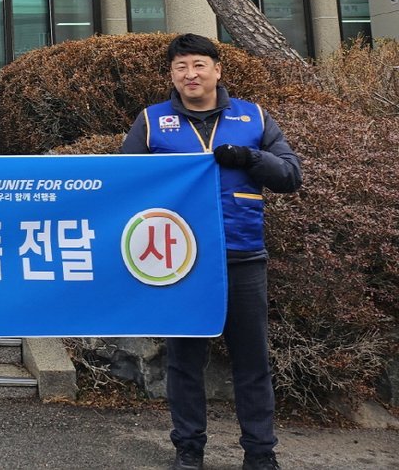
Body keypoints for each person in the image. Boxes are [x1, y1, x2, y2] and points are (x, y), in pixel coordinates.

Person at [121, 33, 301, 470]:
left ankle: (260, 453)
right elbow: (125, 182)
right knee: (184, 363)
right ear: (171, 75)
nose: (190, 74)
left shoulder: (254, 117)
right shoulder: (152, 121)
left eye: (199, 65)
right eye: (181, 67)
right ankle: (189, 449)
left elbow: (290, 175)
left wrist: (250, 158)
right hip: (181, 263)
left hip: (243, 257)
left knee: (252, 361)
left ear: (217, 70)